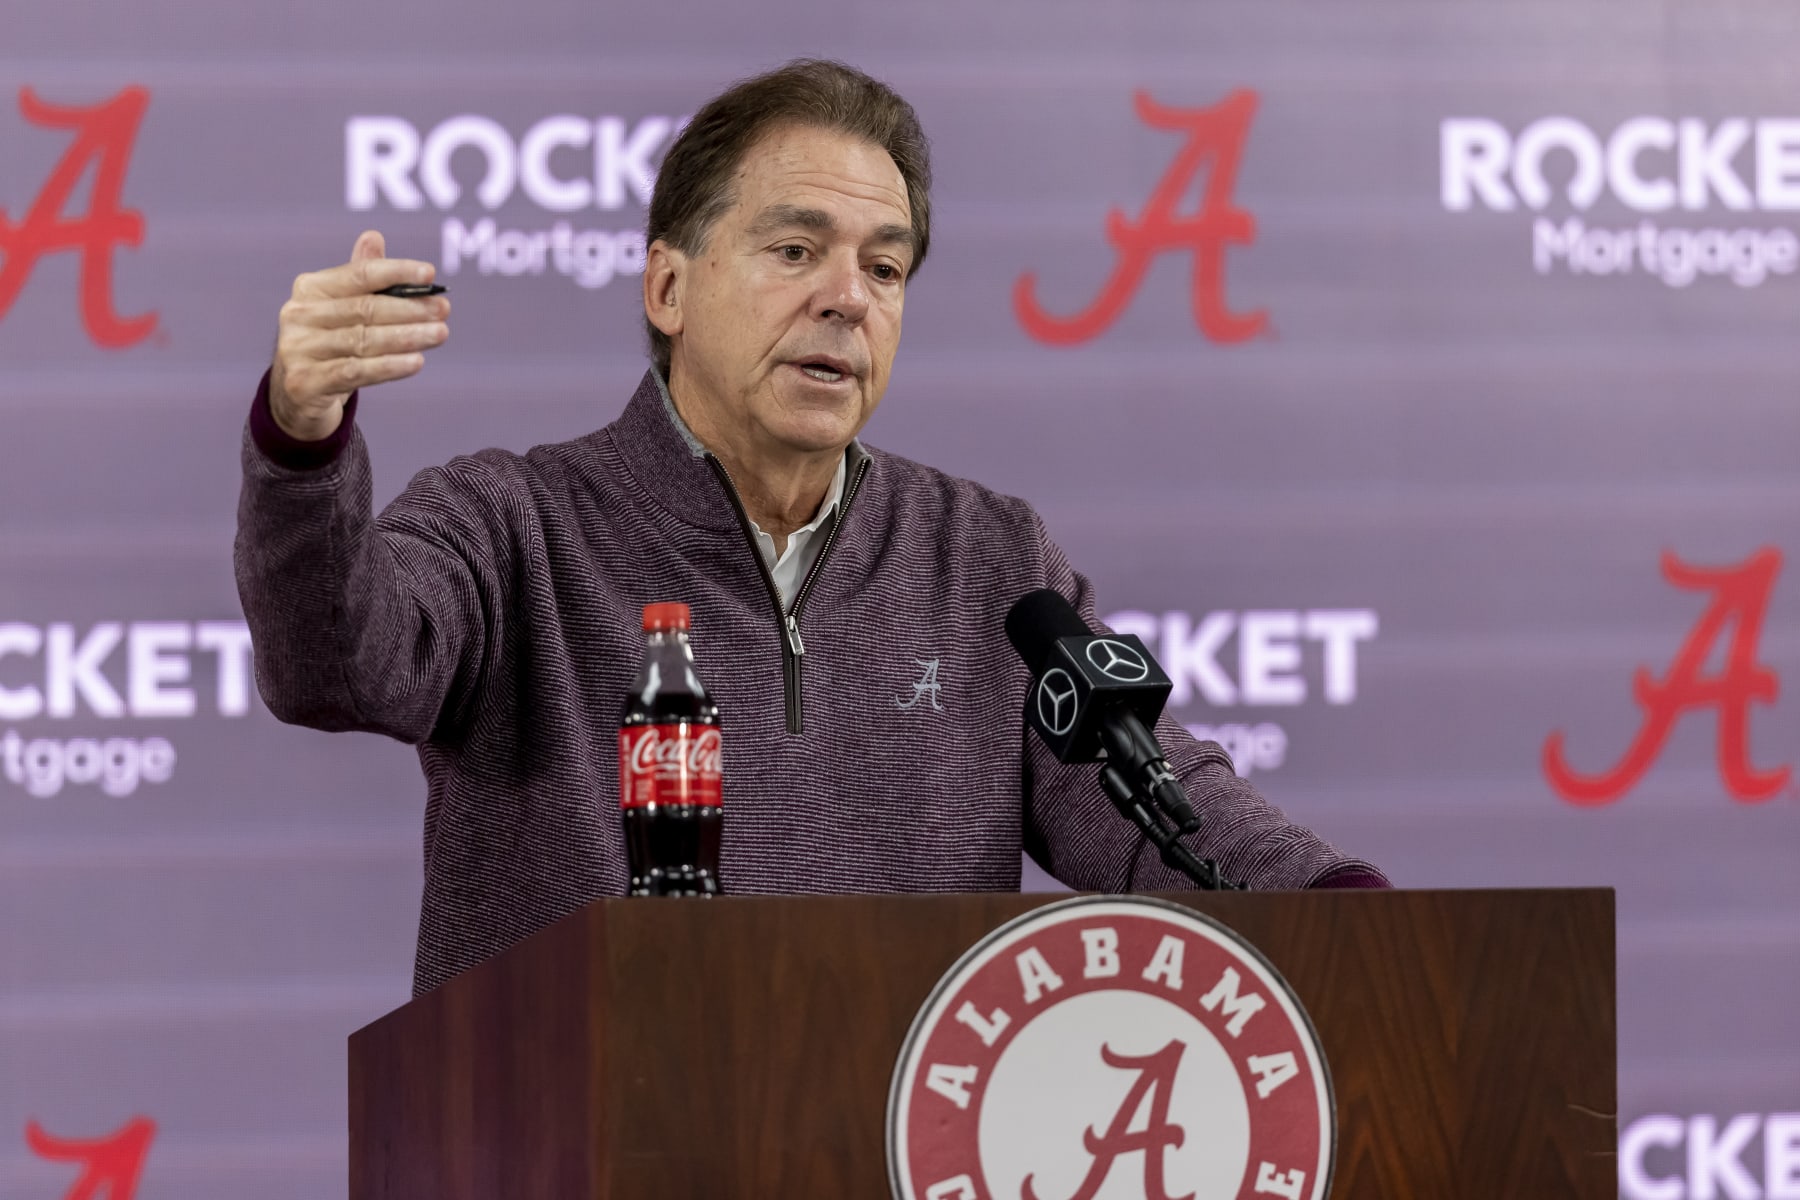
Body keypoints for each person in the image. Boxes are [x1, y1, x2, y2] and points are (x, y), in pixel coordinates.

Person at [236, 59, 1386, 996]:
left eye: (884, 268)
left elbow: (1157, 813)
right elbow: (334, 662)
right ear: (668, 289)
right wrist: (302, 432)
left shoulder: (988, 558)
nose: (848, 296)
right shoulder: (513, 524)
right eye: (795, 251)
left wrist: (1379, 934)